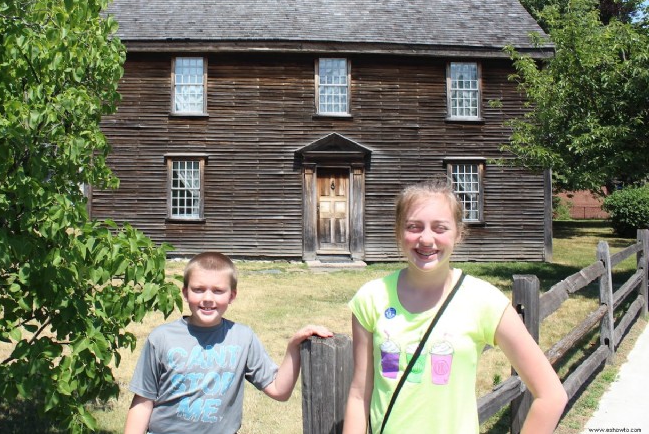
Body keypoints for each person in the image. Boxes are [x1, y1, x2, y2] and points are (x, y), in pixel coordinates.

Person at [343, 179, 568, 434]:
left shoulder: (484, 301)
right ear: (398, 232)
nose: (426, 239)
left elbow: (551, 394)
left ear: (458, 233)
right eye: (414, 227)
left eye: (440, 228)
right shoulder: (371, 299)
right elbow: (360, 394)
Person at [124, 251, 333, 434]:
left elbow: (279, 390)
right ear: (185, 293)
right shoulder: (161, 338)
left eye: (218, 291)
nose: (208, 298)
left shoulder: (242, 337)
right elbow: (143, 402)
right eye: (198, 289)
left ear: (232, 296)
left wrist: (293, 347)